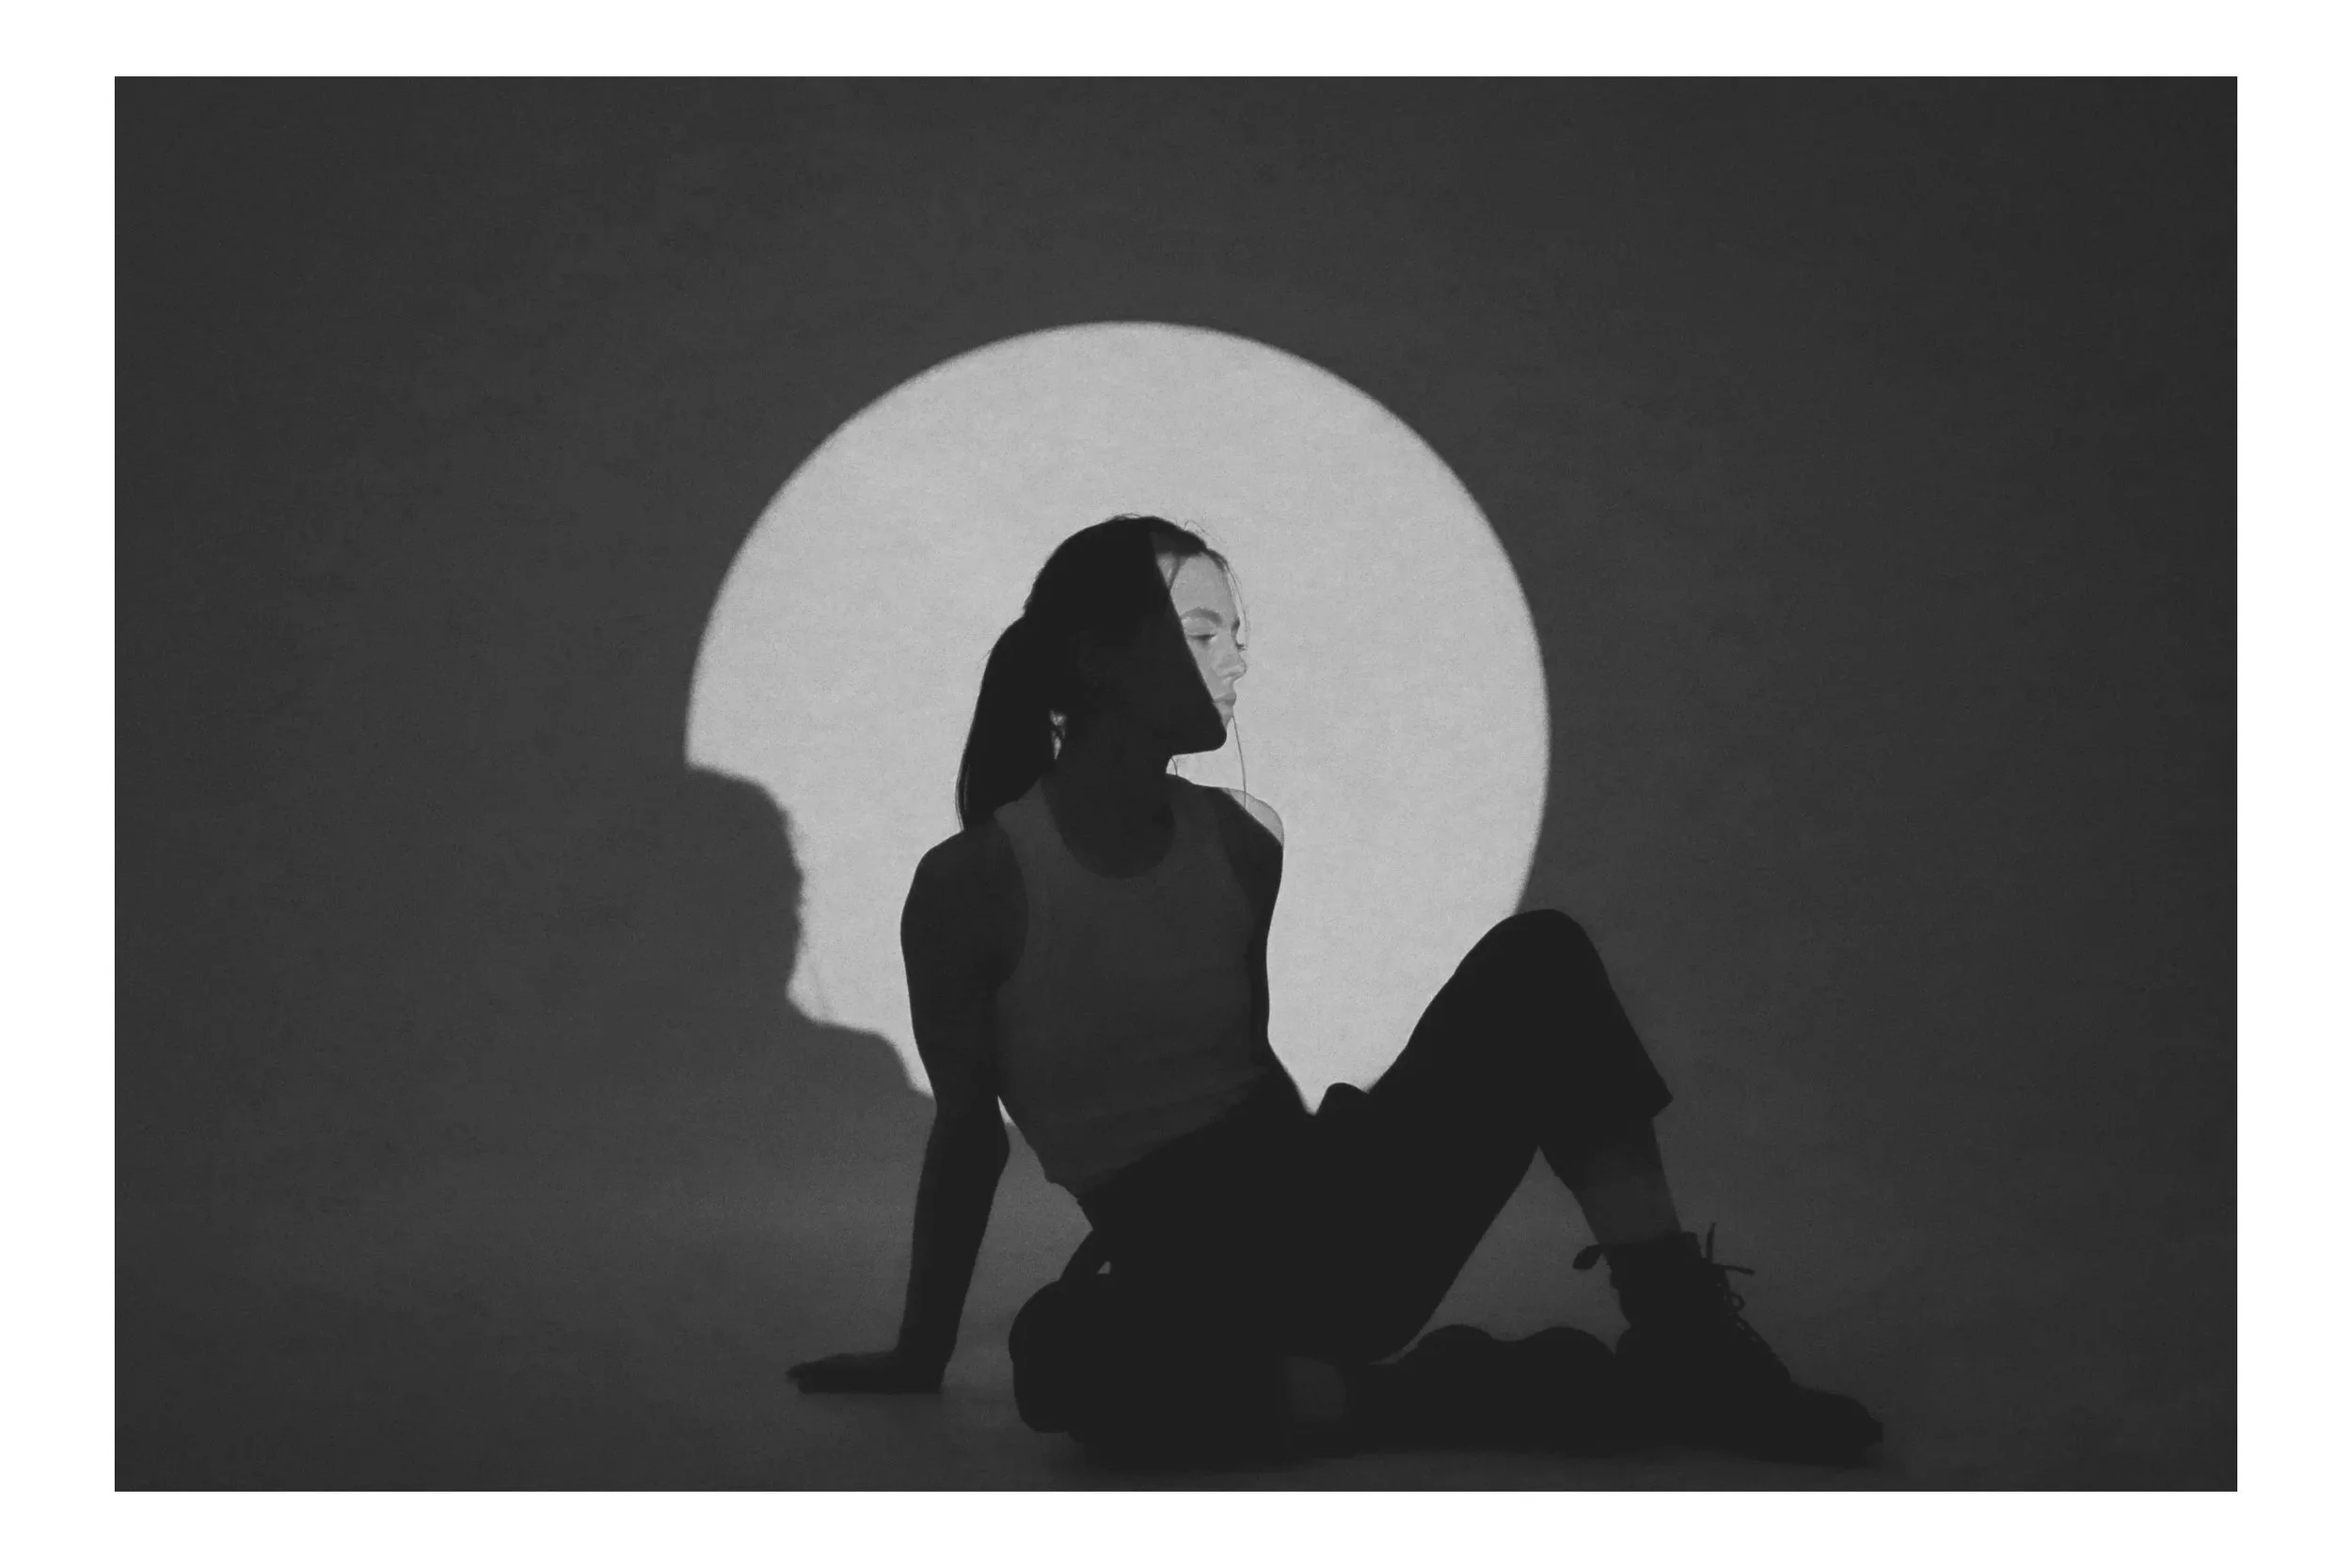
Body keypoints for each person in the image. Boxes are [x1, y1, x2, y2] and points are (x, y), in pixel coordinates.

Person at [787, 515, 1883, 1467]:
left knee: (1537, 956)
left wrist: (1340, 1182)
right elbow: (969, 1135)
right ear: (1095, 655)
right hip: (1194, 1272)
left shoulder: (1242, 838)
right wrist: (919, 1351)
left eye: (1237, 635)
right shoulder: (973, 884)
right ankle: (1441, 1396)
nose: (1236, 660)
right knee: (1062, 1353)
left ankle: (1681, 1337)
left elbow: (1240, 1065)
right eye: (1204, 631)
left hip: (1330, 1221)